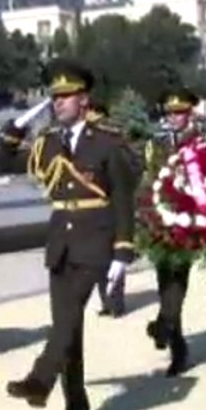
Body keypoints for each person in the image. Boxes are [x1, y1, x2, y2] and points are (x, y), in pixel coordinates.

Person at [0, 59, 136, 410]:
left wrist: (123, 251)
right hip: (61, 242)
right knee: (68, 332)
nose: (58, 102)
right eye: (54, 97)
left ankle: (40, 378)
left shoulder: (108, 140)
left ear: (84, 99)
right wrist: (15, 129)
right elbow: (1, 163)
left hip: (96, 239)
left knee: (69, 317)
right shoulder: (47, 142)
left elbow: (124, 197)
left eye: (66, 96)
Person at [141, 88, 200, 376]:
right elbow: (150, 177)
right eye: (171, 113)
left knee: (178, 280)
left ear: (190, 113)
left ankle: (166, 325)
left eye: (180, 112)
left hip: (189, 221)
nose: (174, 118)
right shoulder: (158, 143)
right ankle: (178, 345)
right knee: (165, 280)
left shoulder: (201, 142)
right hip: (161, 221)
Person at [85, 100, 131, 318]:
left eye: (92, 112)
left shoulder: (112, 137)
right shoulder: (83, 137)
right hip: (93, 207)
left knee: (114, 253)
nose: (89, 117)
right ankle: (107, 300)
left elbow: (126, 170)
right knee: (98, 257)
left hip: (111, 203)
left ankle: (116, 302)